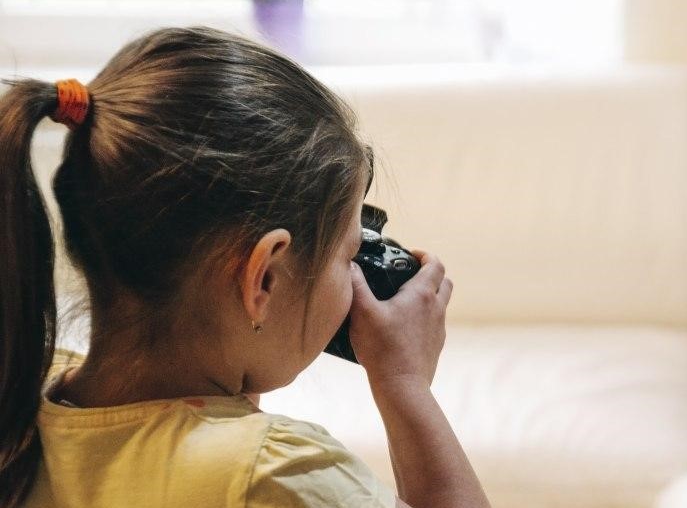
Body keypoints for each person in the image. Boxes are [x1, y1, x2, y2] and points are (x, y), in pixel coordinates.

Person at [0, 27, 488, 507]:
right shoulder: (275, 478)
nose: (356, 273)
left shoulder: (19, 405)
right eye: (347, 257)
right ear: (265, 278)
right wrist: (403, 382)